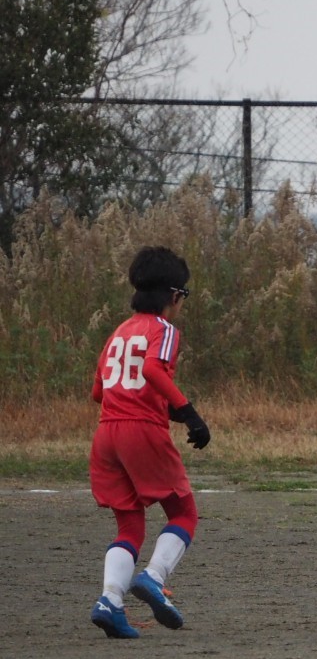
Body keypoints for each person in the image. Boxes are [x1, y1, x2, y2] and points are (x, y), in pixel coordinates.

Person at [88, 246, 211, 638]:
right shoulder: (164, 330)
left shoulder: (118, 332)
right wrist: (187, 411)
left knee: (129, 526)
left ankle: (110, 601)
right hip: (141, 430)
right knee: (183, 513)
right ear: (174, 295)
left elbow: (99, 390)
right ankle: (155, 578)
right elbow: (154, 370)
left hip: (107, 433)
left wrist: (162, 406)